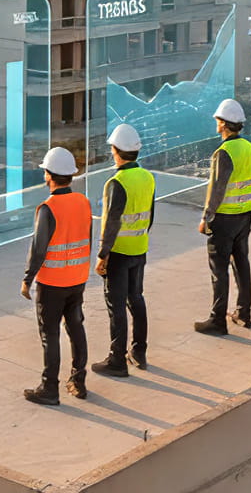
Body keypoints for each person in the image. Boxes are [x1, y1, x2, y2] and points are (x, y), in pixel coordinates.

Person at [21, 145, 92, 405]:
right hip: (78, 279)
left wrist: (28, 278)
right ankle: (78, 380)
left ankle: (50, 388)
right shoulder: (83, 202)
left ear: (49, 175)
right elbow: (87, 238)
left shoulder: (48, 208)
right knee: (76, 327)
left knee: (49, 334)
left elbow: (38, 248)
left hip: (52, 283)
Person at [92, 123, 154, 377]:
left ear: (116, 151)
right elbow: (150, 217)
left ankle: (116, 359)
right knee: (136, 299)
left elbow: (111, 222)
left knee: (116, 305)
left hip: (118, 253)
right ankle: (139, 351)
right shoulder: (147, 177)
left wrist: (102, 255)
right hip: (139, 248)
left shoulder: (116, 183)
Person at [196, 98, 251, 336]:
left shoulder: (223, 152)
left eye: (218, 121)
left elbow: (217, 189)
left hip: (224, 219)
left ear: (223, 124)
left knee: (219, 270)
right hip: (245, 214)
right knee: (242, 263)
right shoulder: (249, 149)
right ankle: (244, 312)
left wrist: (206, 217)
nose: (216, 124)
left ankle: (217, 320)